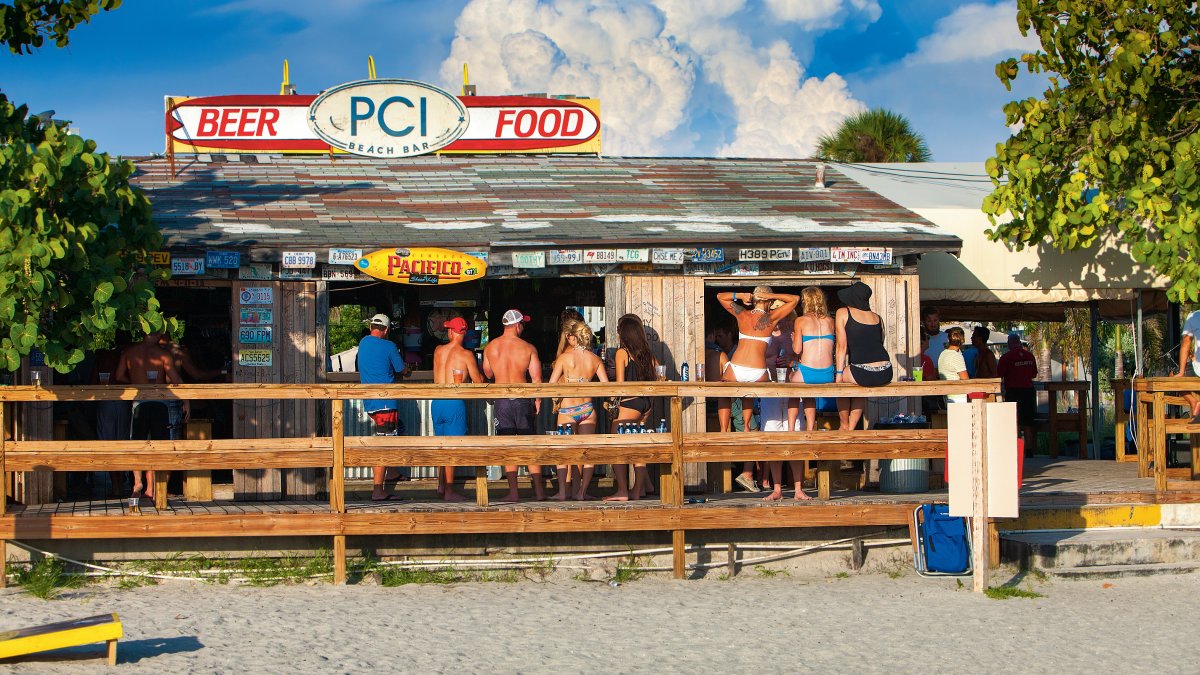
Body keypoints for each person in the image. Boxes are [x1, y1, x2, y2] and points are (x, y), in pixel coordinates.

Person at [716, 286, 799, 492]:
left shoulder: (742, 313)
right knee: (750, 393)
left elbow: (720, 296)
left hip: (737, 367)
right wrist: (772, 296)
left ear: (753, 300)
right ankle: (746, 425)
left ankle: (723, 429)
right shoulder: (771, 318)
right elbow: (795, 299)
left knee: (724, 390)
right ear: (769, 302)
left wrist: (740, 296)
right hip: (757, 370)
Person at [115, 331, 186, 504]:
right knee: (158, 445)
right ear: (157, 334)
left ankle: (138, 483)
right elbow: (176, 380)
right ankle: (154, 489)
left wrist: (134, 383)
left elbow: (118, 376)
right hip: (160, 403)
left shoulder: (130, 352)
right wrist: (187, 401)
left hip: (139, 403)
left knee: (138, 444)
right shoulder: (162, 354)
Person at [483, 308, 544, 502]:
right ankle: (540, 493)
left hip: (502, 400)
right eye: (523, 324)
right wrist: (538, 401)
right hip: (522, 399)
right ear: (517, 325)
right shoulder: (528, 348)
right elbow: (536, 379)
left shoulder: (490, 347)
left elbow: (488, 374)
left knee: (509, 446)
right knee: (529, 445)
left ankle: (514, 492)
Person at [548, 319, 609, 500]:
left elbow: (550, 385)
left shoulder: (565, 358)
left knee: (562, 452)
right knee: (586, 453)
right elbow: (607, 387)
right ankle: (580, 492)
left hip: (568, 409)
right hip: (588, 410)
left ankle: (562, 492)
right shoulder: (595, 359)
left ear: (571, 337)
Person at [604, 314, 660, 501]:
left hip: (628, 403)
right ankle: (639, 489)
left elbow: (621, 385)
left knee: (616, 449)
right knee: (638, 448)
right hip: (645, 404)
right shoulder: (647, 355)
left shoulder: (622, 353)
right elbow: (660, 376)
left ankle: (622, 491)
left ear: (623, 334)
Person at [432, 317, 484, 502]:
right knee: (452, 448)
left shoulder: (438, 351)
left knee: (441, 446)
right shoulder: (466, 355)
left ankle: (441, 485)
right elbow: (478, 381)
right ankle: (449, 491)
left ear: (451, 332)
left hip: (436, 402)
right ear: (464, 333)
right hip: (453, 403)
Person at [357, 313, 408, 502]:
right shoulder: (389, 346)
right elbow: (401, 369)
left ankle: (392, 471)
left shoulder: (363, 343)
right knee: (384, 444)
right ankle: (378, 490)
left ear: (372, 327)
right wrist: (409, 369)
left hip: (370, 403)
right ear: (386, 330)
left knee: (396, 430)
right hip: (385, 402)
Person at [834, 282, 893, 430]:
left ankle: (845, 425)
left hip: (861, 371)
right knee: (859, 385)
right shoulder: (877, 317)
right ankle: (852, 427)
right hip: (886, 371)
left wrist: (839, 374)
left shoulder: (843, 312)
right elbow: (879, 342)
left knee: (840, 386)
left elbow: (841, 346)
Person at [788, 287, 836, 434]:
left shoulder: (801, 320)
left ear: (804, 302)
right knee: (809, 393)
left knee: (791, 384)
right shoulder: (830, 321)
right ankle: (809, 428)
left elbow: (796, 350)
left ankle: (790, 430)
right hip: (828, 374)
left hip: (807, 372)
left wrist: (792, 339)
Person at [998, 334, 1039, 449]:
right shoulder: (1030, 356)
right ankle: (1030, 449)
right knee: (1028, 422)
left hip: (1013, 392)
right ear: (1019, 343)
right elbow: (1034, 374)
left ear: (1009, 343)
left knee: (1014, 421)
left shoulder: (1006, 357)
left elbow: (999, 375)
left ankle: (1015, 449)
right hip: (1028, 391)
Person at [704, 323, 733, 432]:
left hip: (700, 399)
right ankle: (751, 430)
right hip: (716, 402)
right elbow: (729, 378)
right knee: (740, 403)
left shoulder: (695, 355)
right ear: (712, 336)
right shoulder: (720, 355)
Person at [1175, 309, 1200, 422]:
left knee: (1172, 376)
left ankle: (1193, 402)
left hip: (1198, 370)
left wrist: (1181, 371)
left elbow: (1186, 343)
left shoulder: (1193, 316)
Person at [938, 327, 970, 406]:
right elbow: (965, 379)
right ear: (963, 340)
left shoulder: (943, 354)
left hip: (947, 395)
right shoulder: (956, 356)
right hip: (958, 396)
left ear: (948, 339)